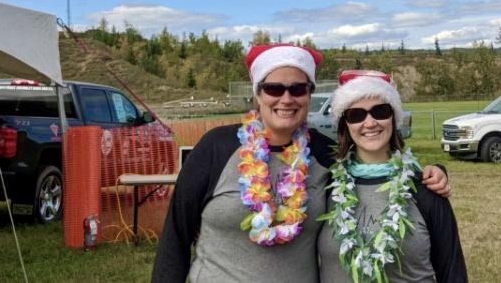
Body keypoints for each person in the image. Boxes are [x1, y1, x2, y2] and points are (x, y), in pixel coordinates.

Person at [152, 44, 451, 282]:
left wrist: (434, 171)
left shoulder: (323, 153)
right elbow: (175, 237)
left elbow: (374, 158)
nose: (286, 98)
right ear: (257, 93)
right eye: (274, 88)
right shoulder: (216, 147)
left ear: (309, 94)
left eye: (297, 89)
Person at [318, 71, 468, 283]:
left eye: (380, 111)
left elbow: (452, 273)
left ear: (394, 117)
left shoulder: (425, 189)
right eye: (356, 115)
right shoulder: (327, 186)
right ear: (345, 124)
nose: (369, 123)